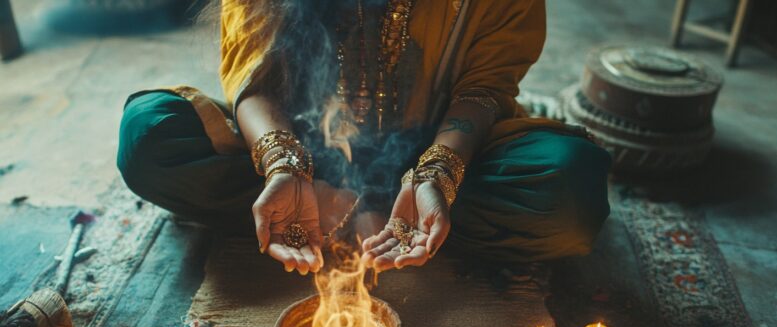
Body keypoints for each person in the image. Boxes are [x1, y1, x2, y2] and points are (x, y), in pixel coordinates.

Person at [117, 0, 611, 276]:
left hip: (439, 152)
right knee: (149, 136)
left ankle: (413, 212)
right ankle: (312, 205)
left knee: (569, 191)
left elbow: (484, 89)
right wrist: (284, 166)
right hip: (303, 151)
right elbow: (254, 85)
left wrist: (440, 171)